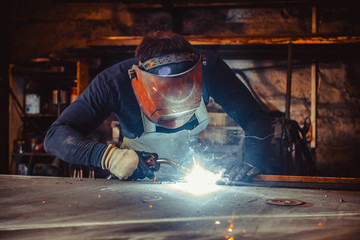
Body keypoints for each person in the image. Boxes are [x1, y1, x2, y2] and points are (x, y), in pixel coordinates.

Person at [44, 31, 272, 182]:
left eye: (185, 92)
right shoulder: (115, 82)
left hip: (192, 172)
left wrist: (252, 163)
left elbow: (256, 119)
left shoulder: (209, 68)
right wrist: (109, 157)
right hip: (136, 175)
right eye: (167, 95)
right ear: (141, 83)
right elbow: (55, 136)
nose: (176, 105)